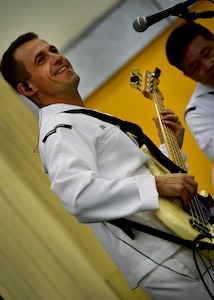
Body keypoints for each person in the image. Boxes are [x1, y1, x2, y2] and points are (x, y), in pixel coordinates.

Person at [1, 32, 214, 300]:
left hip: (180, 241)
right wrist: (156, 184)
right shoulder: (60, 131)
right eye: (41, 60)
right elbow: (79, 197)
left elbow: (135, 177)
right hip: (167, 256)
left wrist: (171, 149)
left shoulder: (79, 120)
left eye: (53, 49)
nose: (56, 58)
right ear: (27, 88)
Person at [166, 21, 214, 185]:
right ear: (188, 75)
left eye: (208, 53)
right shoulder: (196, 111)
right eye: (196, 66)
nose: (208, 65)